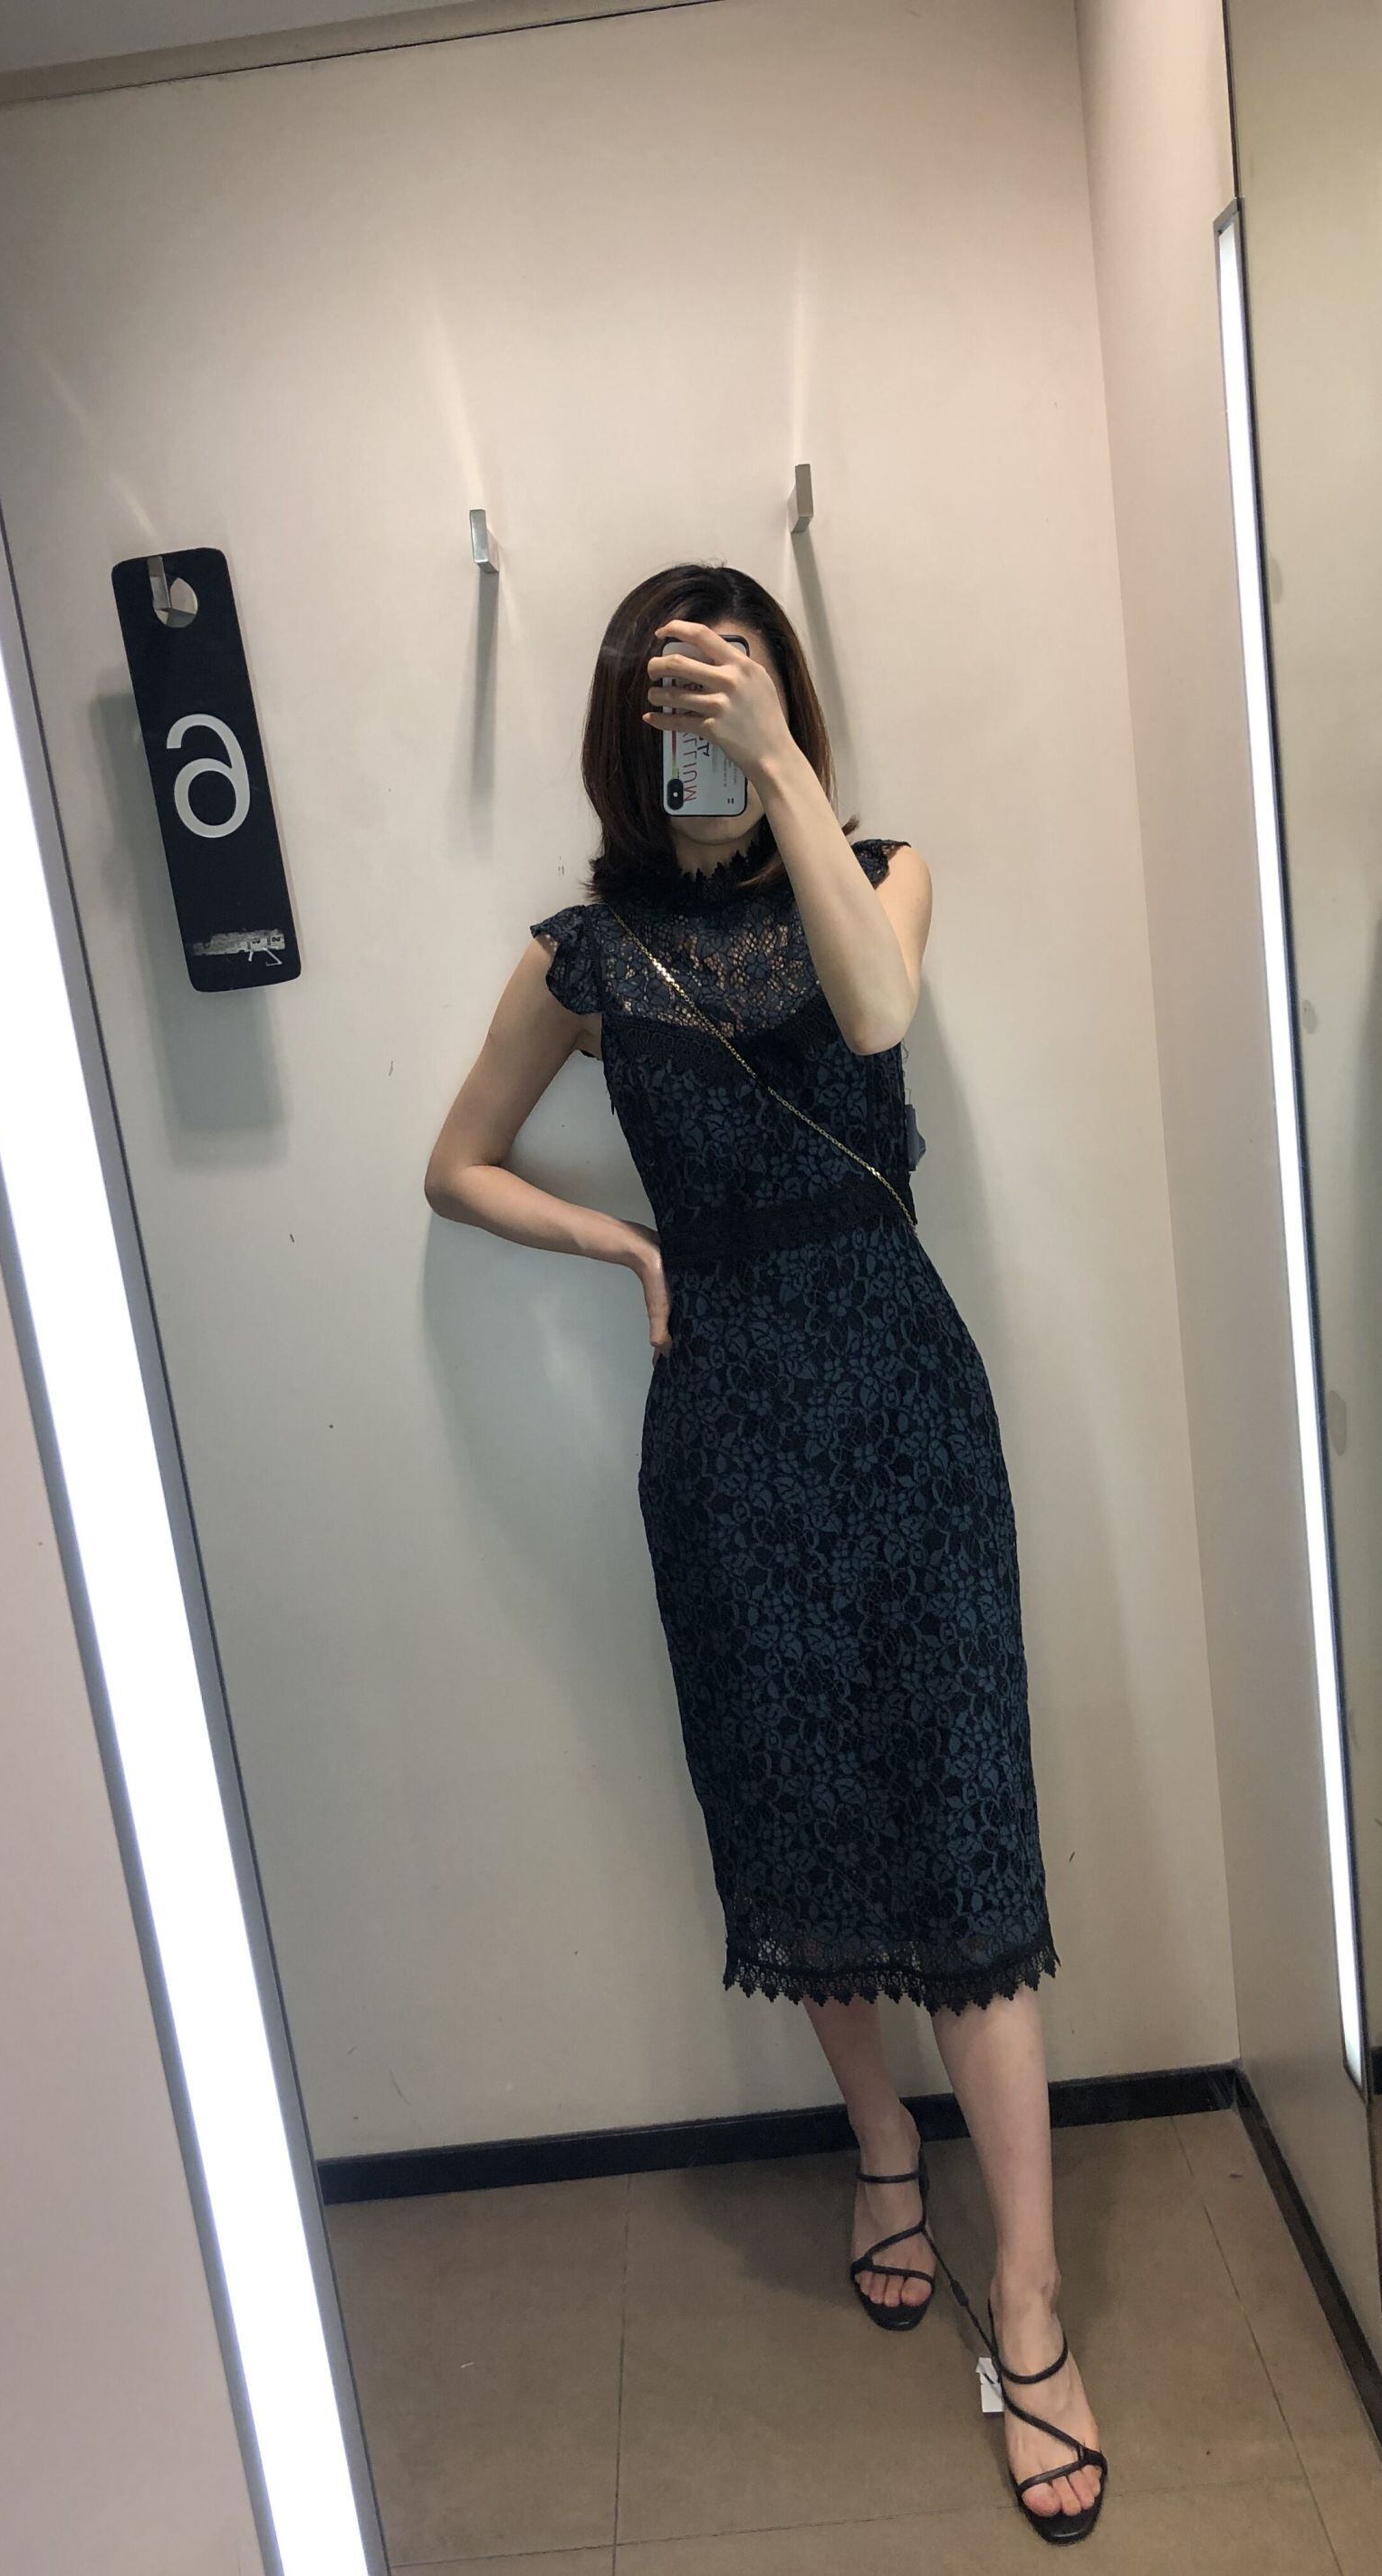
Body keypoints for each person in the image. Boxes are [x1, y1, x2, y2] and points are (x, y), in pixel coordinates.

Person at [424, 562, 1107, 2541]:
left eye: (732, 694)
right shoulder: (585, 955)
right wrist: (611, 1239)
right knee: (793, 1805)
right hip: (722, 1419)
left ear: (783, 702)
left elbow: (874, 1012)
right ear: (622, 730)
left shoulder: (877, 873)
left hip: (902, 1397)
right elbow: (455, 1164)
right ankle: (881, 2147)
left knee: (962, 1822)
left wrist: (784, 769)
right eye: (675, 703)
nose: (702, 731)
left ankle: (1031, 2299)